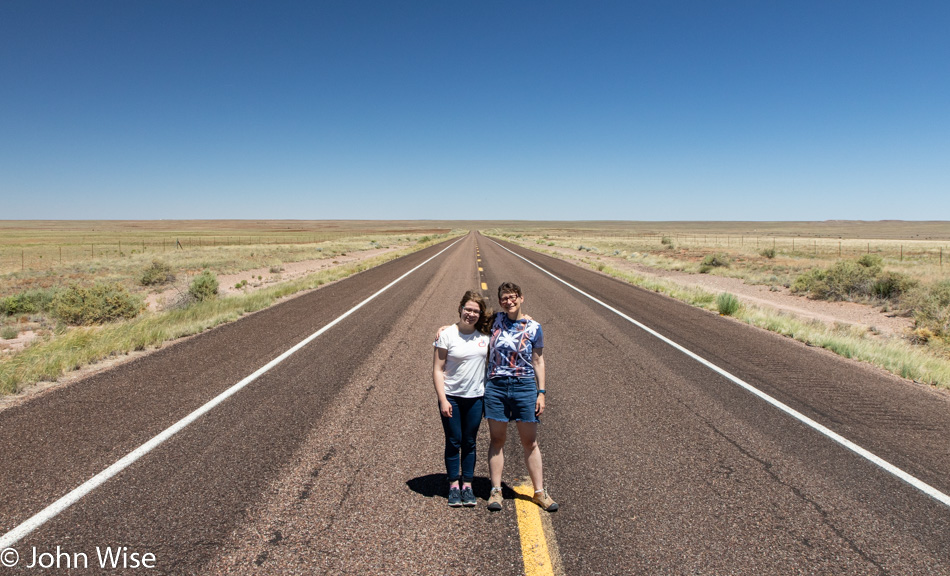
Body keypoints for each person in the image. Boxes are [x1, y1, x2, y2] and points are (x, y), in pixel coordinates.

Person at [485, 281, 558, 512]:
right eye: (505, 298)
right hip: (496, 387)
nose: (510, 301)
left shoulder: (534, 327)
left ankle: (539, 492)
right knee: (497, 440)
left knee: (530, 442)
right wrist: (447, 327)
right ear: (500, 302)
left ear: (521, 298)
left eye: (513, 296)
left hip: (524, 386)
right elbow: (467, 320)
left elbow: (538, 360)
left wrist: (541, 392)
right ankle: (496, 491)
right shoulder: (494, 321)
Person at [432, 290, 492, 507]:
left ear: (480, 314)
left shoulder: (485, 336)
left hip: (476, 398)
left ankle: (467, 484)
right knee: (453, 441)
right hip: (452, 398)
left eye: (476, 311)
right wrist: (443, 399)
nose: (471, 314)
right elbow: (438, 369)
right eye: (468, 309)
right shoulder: (447, 334)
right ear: (460, 309)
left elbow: (512, 321)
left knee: (469, 442)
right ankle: (453, 485)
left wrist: (528, 319)